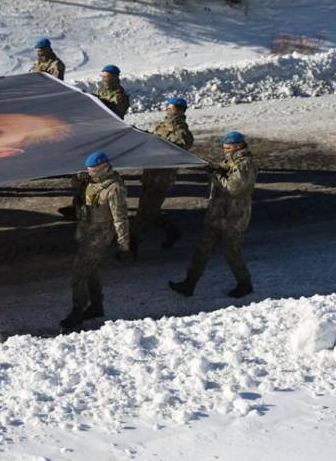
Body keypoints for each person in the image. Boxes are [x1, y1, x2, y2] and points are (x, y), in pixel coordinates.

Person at [170, 131, 257, 298]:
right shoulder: (231, 162)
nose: (225, 150)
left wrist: (214, 174)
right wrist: (216, 168)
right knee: (202, 250)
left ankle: (245, 284)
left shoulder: (246, 164)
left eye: (229, 147)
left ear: (239, 146)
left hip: (233, 218)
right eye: (224, 147)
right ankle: (189, 283)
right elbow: (225, 172)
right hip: (217, 215)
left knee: (232, 253)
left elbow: (232, 187)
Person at [61, 151, 131, 331]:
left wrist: (124, 245)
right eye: (88, 169)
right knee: (91, 270)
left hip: (99, 235)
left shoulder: (114, 187)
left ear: (103, 167)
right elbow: (75, 184)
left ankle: (77, 311)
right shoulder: (92, 181)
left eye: (93, 169)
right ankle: (97, 306)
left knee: (78, 275)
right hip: (86, 231)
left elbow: (120, 218)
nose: (90, 172)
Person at [58, 65, 131, 220]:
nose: (105, 80)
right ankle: (78, 207)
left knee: (94, 178)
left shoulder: (119, 96)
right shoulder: (100, 92)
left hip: (107, 139)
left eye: (108, 77)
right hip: (95, 136)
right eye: (103, 76)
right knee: (81, 176)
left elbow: (114, 117)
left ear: (115, 77)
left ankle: (95, 211)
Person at [131, 97, 195, 256]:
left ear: (179, 109)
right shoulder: (162, 126)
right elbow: (154, 140)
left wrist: (156, 146)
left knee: (145, 212)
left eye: (171, 107)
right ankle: (172, 231)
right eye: (168, 106)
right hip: (151, 173)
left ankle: (132, 245)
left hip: (162, 178)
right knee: (148, 209)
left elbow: (177, 152)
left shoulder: (182, 132)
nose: (168, 109)